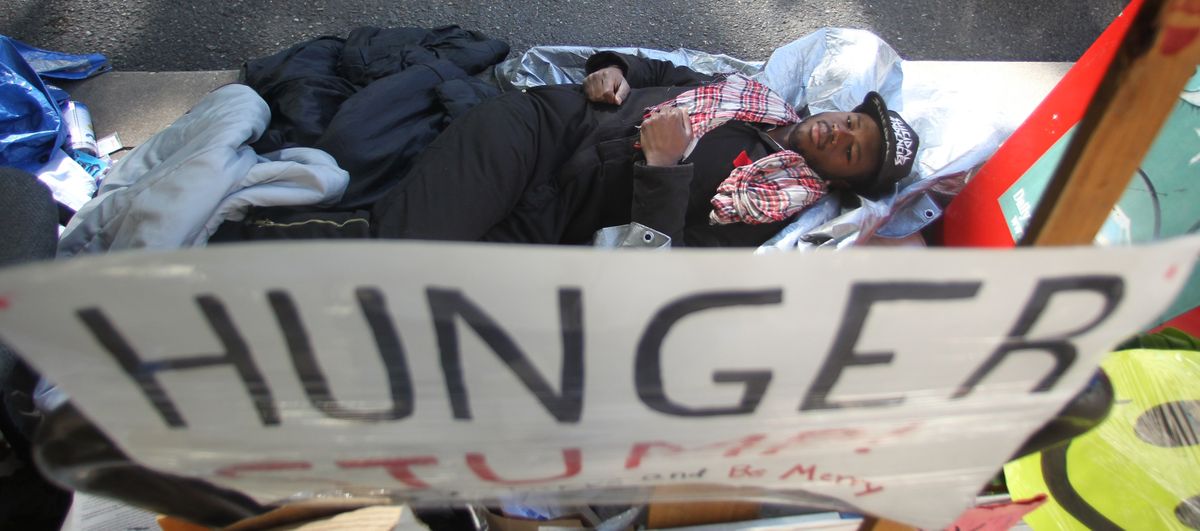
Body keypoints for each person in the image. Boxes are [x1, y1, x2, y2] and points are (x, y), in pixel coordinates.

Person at [371, 51, 919, 247]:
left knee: (431, 302)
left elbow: (663, 267)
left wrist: (664, 168)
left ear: (840, 182)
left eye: (851, 151)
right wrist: (614, 70)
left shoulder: (769, 209)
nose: (839, 133)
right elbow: (660, 69)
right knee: (403, 256)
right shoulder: (757, 96)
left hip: (552, 224)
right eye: (850, 122)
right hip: (538, 132)